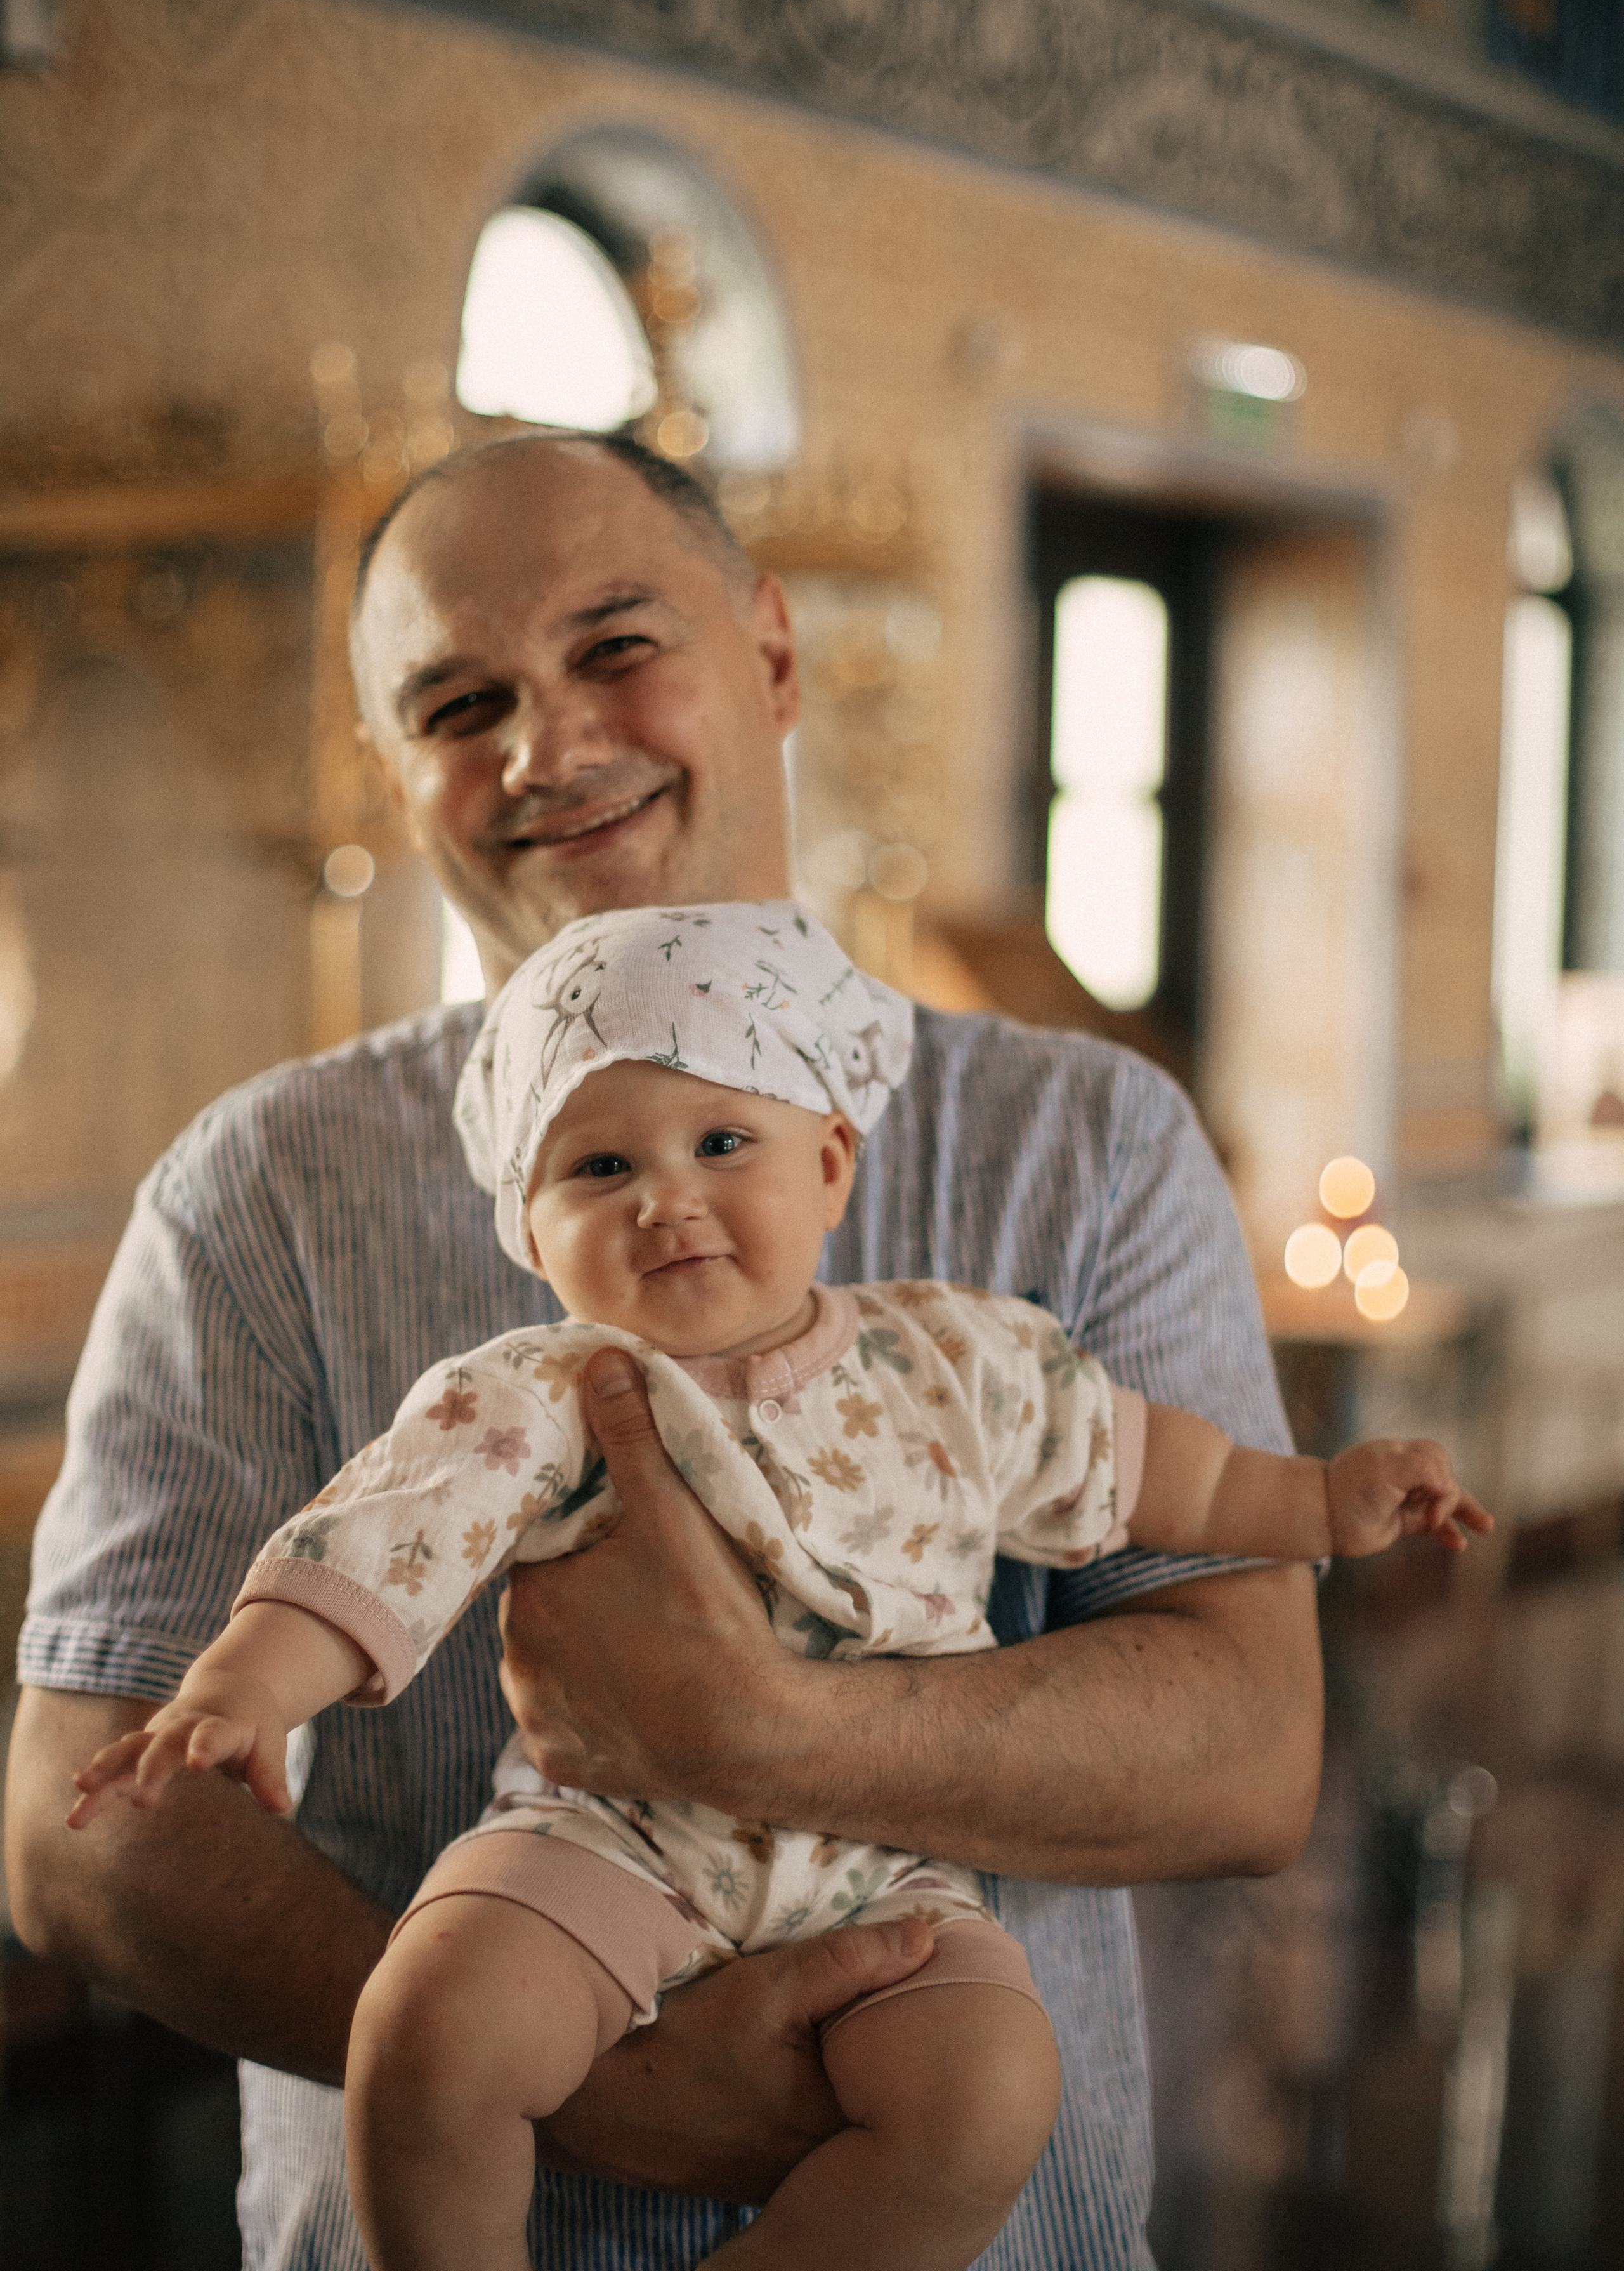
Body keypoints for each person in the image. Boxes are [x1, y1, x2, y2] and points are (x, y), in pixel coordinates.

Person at [9, 431, 1327, 2271]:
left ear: (774, 657)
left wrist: (758, 1725)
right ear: (404, 777)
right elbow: (87, 1833)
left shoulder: (1085, 1144)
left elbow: (1251, 1755)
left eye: (616, 648)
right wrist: (589, 2078)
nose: (545, 747)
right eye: (461, 704)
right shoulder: (259, 1189)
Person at [67, 902, 1487, 2271]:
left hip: (885, 1869)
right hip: (605, 1844)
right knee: (428, 2029)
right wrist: (244, 1688)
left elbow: (1158, 1475)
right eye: (598, 1170)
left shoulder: (954, 1362)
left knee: (989, 2094)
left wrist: (1320, 1500)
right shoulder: (542, 1391)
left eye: (721, 1140)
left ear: (829, 1167)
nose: (666, 1198)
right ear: (530, 1232)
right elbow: (376, 1544)